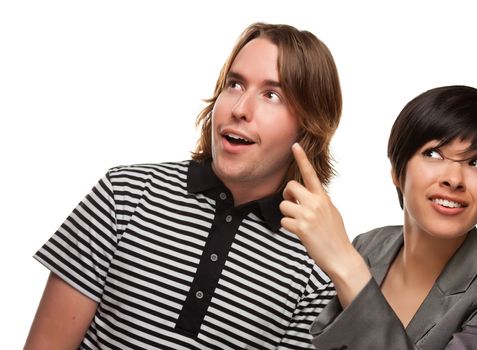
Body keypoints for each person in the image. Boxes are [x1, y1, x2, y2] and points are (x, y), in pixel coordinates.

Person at [25, 22, 342, 349]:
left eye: (271, 95)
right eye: (234, 84)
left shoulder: (315, 271)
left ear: (308, 126)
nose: (239, 109)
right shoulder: (122, 196)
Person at [280, 85, 477, 349]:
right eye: (433, 154)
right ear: (397, 171)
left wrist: (347, 268)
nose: (454, 179)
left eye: (476, 163)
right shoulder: (368, 246)